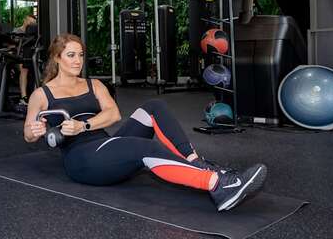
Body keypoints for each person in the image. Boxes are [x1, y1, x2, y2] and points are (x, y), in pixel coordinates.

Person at [24, 33, 267, 211]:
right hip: (83, 161)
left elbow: (114, 115)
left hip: (107, 148)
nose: (77, 60)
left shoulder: (94, 85)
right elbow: (29, 133)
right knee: (145, 148)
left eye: (80, 55)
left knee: (154, 107)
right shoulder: (42, 94)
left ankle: (198, 163)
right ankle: (217, 186)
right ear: (57, 58)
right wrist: (35, 130)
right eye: (70, 55)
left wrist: (83, 125)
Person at [15, 15, 37, 104]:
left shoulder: (33, 33)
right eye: (30, 22)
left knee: (36, 67)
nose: (31, 24)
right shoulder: (17, 31)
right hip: (18, 56)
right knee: (23, 69)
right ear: (25, 20)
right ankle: (23, 97)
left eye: (33, 23)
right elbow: (11, 45)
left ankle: (35, 96)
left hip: (30, 55)